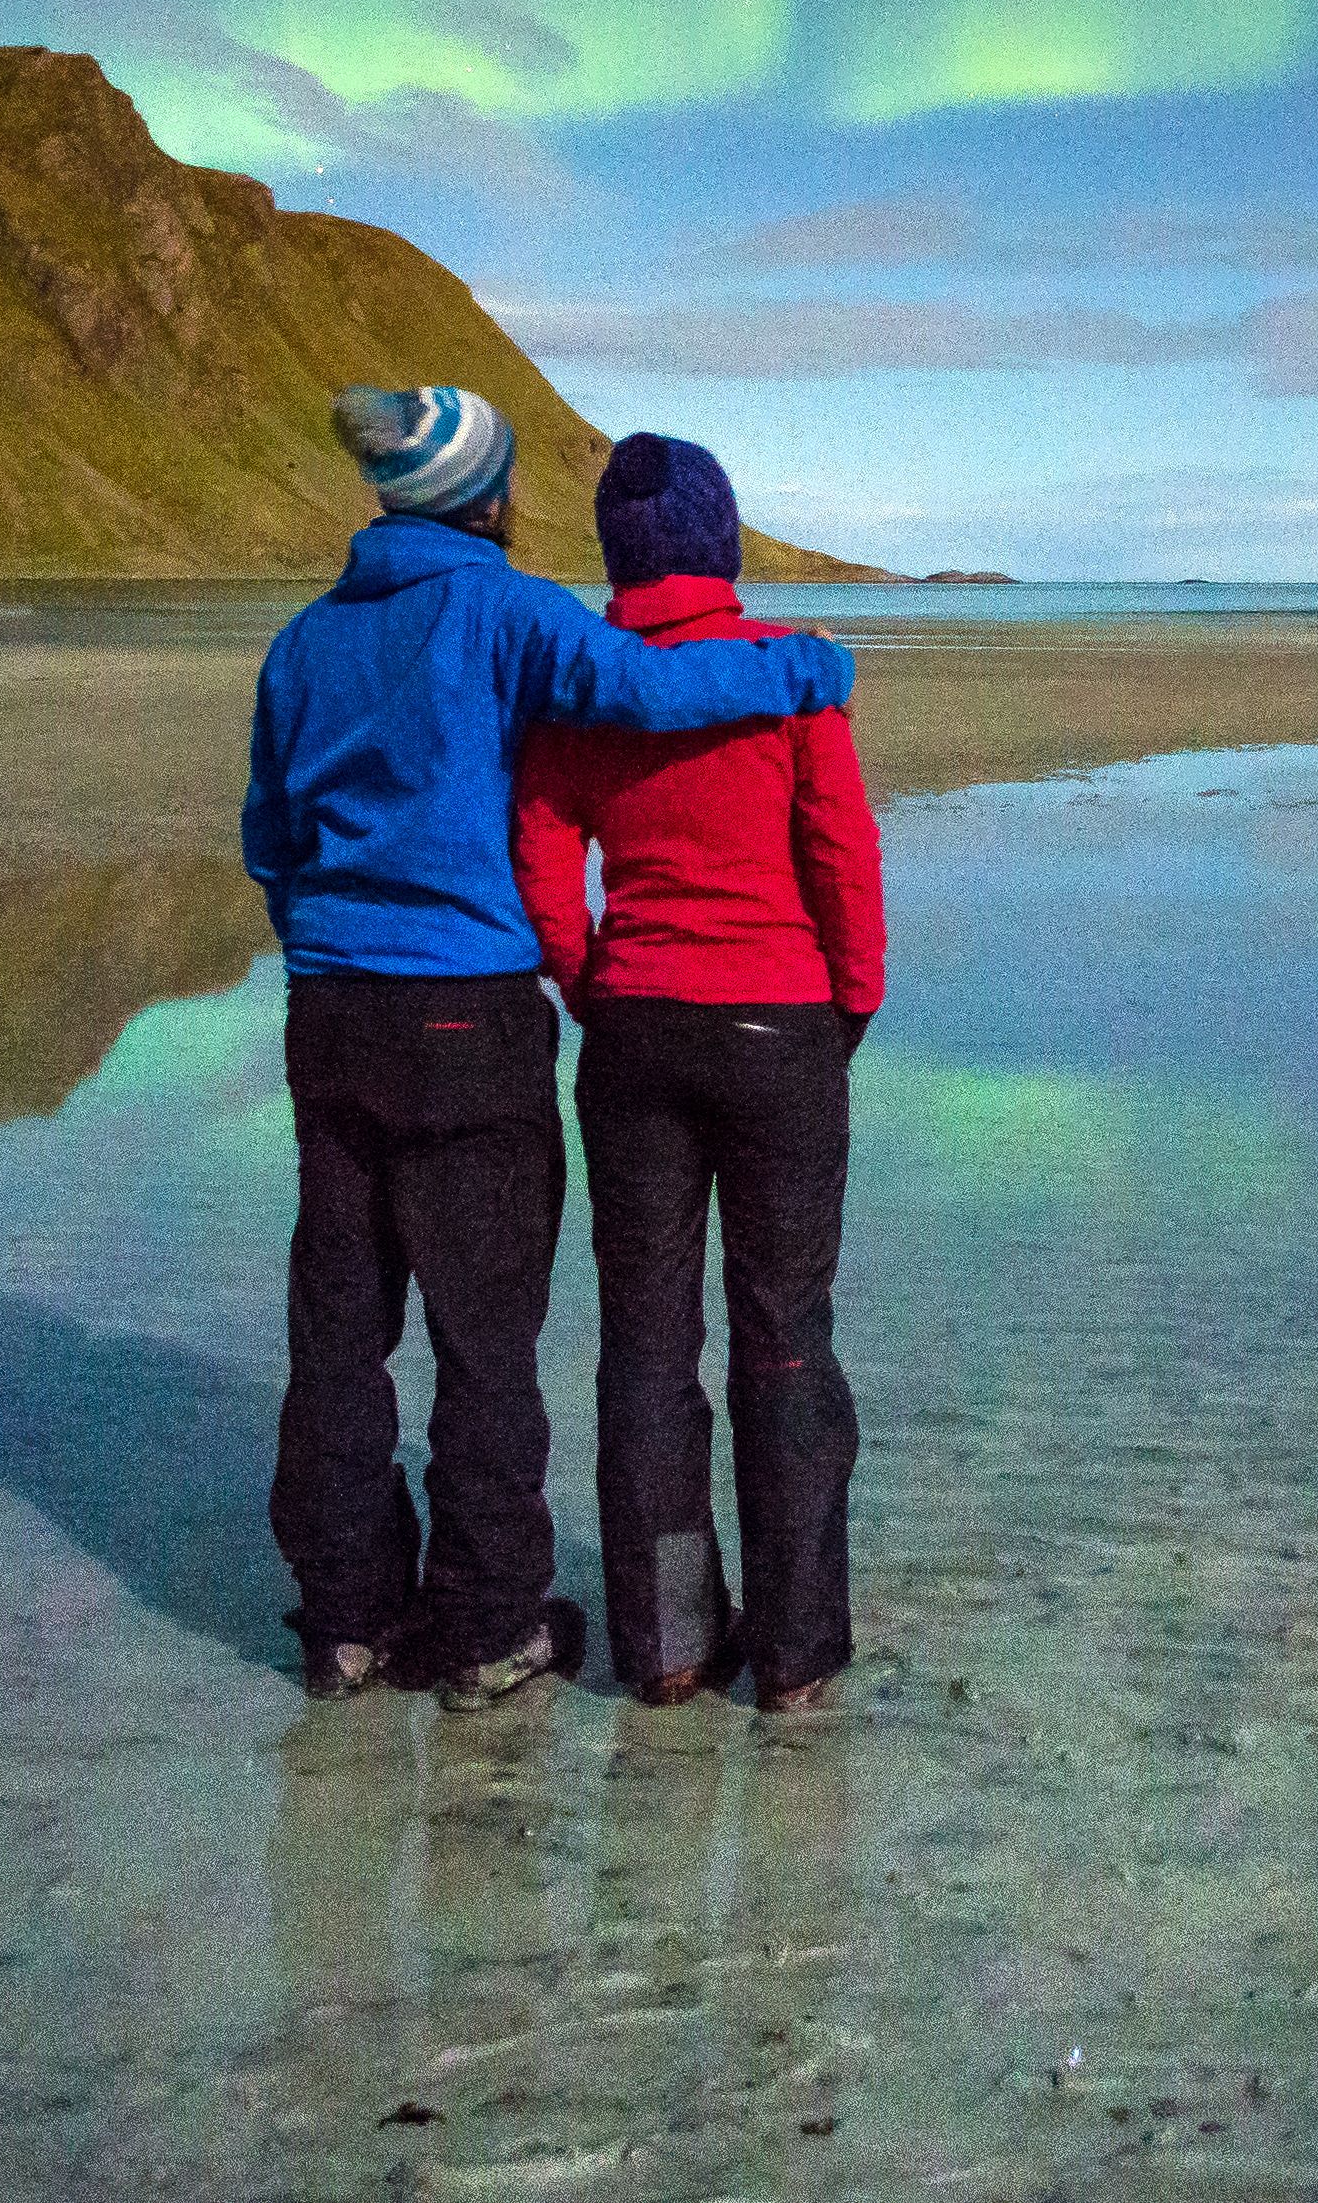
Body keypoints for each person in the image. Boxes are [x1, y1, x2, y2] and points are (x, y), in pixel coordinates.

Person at [244, 385, 857, 1711]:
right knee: (487, 1336)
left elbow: (271, 844)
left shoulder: (299, 642)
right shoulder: (508, 612)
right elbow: (649, 685)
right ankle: (488, 1632)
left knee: (341, 1327)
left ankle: (357, 1625)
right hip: (473, 1011)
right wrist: (808, 665)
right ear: (488, 494)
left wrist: (355, 944)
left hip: (335, 1011)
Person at [511, 431, 882, 1713]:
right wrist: (854, 995)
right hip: (779, 1024)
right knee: (785, 1336)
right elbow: (841, 850)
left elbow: (542, 851)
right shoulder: (784, 675)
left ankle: (667, 1648)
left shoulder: (586, 686)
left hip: (636, 1032)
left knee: (648, 1346)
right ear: (719, 539)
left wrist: (586, 975)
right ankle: (791, 1655)